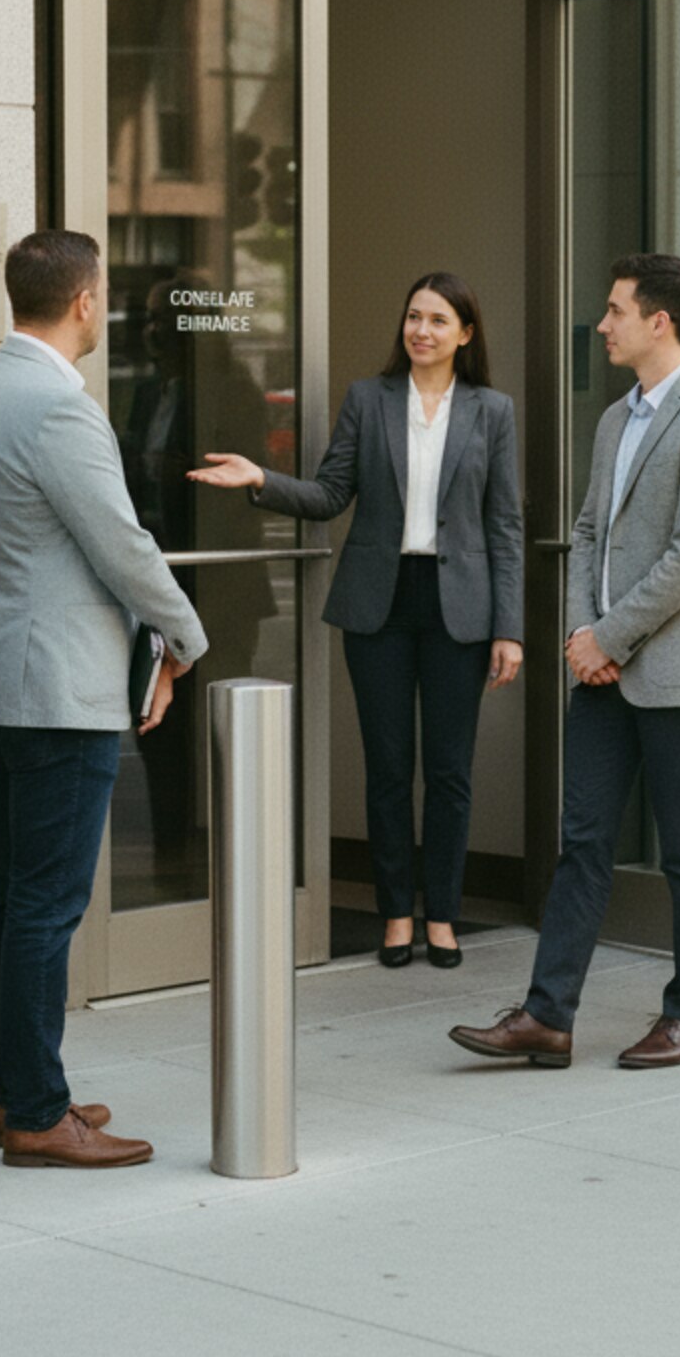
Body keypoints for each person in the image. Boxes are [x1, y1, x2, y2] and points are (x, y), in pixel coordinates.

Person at [0, 230, 208, 1169]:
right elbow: (124, 543)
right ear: (85, 301)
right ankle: (36, 1113)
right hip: (56, 690)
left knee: (12, 897)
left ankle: (17, 1093)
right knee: (44, 906)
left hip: (3, 680)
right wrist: (186, 638)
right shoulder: (55, 405)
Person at [448, 255, 680, 1069]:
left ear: (661, 322)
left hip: (678, 675)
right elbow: (589, 534)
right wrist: (585, 635)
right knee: (580, 841)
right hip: (602, 670)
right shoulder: (616, 418)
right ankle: (548, 1016)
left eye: (616, 311)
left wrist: (608, 637)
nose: (603, 324)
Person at [191, 274, 523, 967]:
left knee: (451, 773)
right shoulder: (369, 400)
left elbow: (504, 526)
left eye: (437, 320)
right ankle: (397, 914)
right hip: (380, 603)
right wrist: (261, 480)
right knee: (388, 768)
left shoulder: (492, 411)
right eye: (412, 317)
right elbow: (330, 492)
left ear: (465, 333)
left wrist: (509, 628)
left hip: (459, 606)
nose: (421, 331)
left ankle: (445, 917)